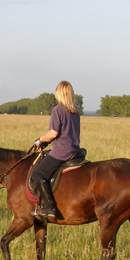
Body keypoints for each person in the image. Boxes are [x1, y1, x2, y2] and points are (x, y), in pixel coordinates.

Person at [30, 81, 81, 221]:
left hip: (61, 152)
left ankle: (49, 207)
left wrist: (40, 140)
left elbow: (53, 133)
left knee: (38, 173)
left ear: (59, 93)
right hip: (74, 151)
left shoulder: (57, 110)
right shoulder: (75, 111)